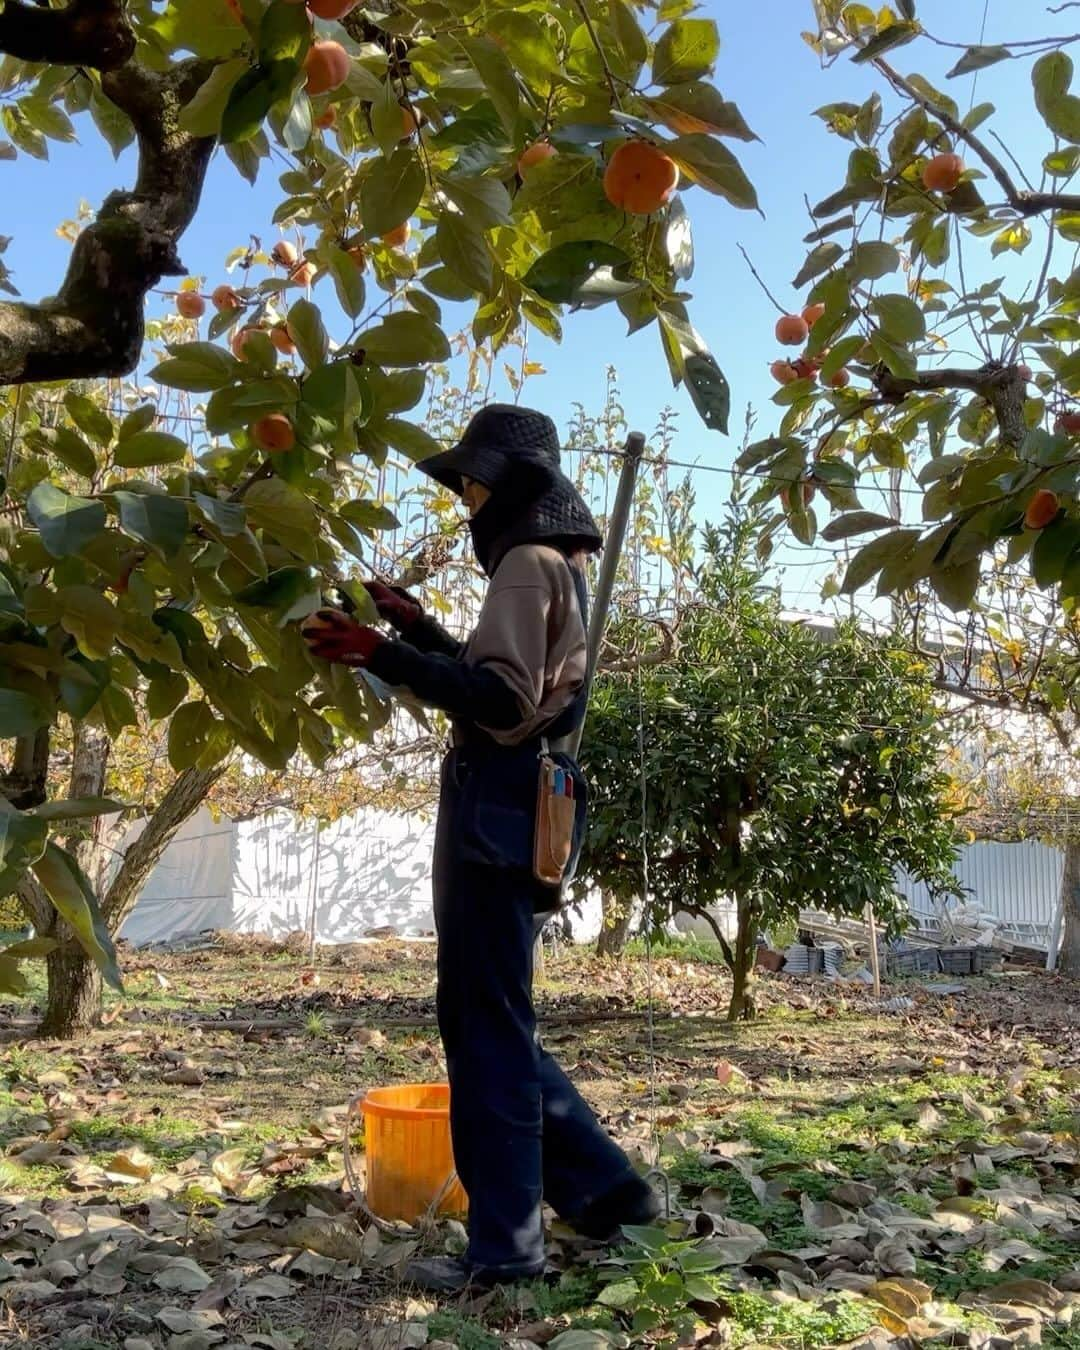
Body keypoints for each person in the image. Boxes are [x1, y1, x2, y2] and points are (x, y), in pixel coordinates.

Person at [301, 404, 658, 1292]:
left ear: (519, 487)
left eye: (477, 481)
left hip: (494, 808)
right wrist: (417, 630)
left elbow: (496, 705)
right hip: (521, 806)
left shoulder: (525, 565)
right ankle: (612, 1195)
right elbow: (502, 684)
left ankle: (506, 1253)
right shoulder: (558, 565)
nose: (467, 498)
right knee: (495, 1018)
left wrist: (380, 653)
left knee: (485, 1033)